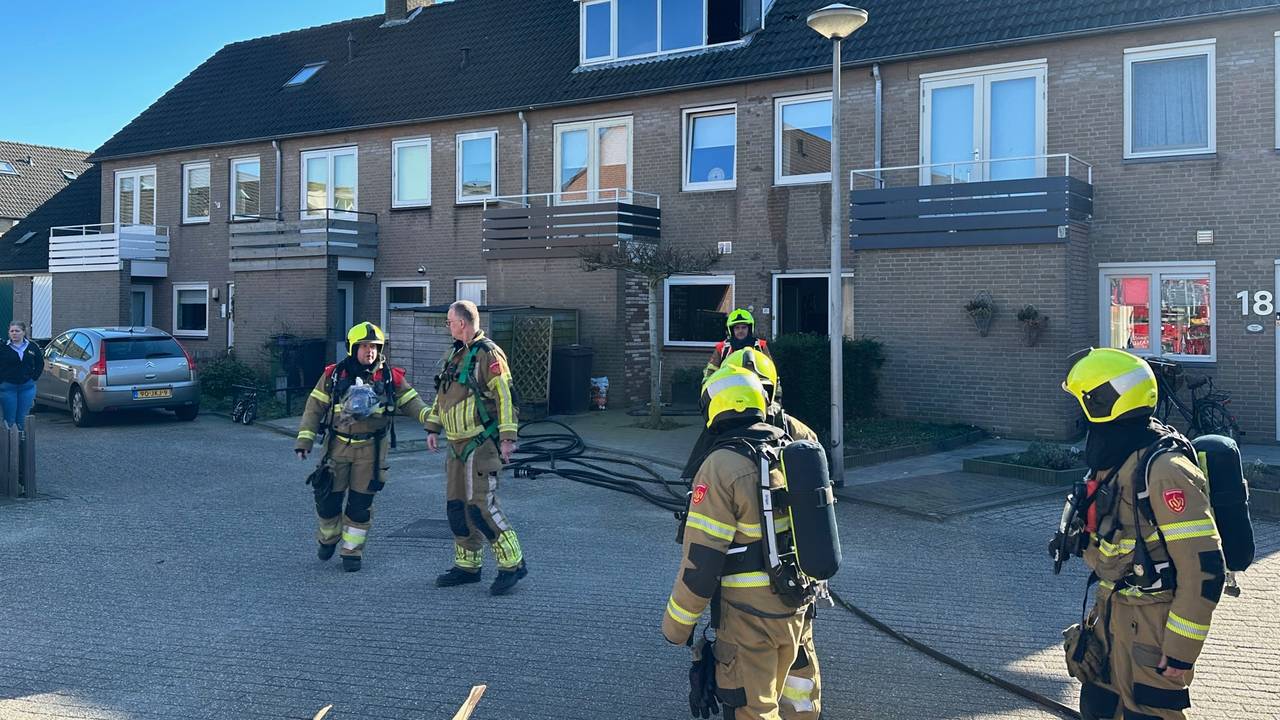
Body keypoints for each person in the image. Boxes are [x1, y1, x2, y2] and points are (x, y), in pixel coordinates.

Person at [1060, 348, 1225, 720]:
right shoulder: (1114, 458)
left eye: (1084, 401)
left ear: (1106, 402)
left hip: (1153, 627)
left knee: (1149, 714)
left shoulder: (1165, 470)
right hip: (1109, 615)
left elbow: (1205, 568)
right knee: (1098, 709)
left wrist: (1181, 648)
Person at [664, 364, 822, 719]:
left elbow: (701, 561)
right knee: (799, 698)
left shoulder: (721, 465)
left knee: (754, 708)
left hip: (748, 618)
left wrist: (676, 627)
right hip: (798, 604)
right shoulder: (789, 449)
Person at [295, 321, 432, 572]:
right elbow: (314, 408)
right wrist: (304, 440)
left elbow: (412, 402)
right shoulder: (334, 375)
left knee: (360, 506)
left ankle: (351, 552)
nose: (369, 351)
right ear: (352, 347)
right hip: (337, 448)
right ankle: (329, 538)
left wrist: (430, 419)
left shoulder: (390, 377)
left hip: (371, 451)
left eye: (374, 346)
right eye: (364, 346)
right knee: (328, 500)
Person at [425, 300, 526, 595]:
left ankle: (513, 565)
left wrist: (508, 438)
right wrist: (433, 427)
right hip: (455, 445)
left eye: (449, 322)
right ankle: (467, 566)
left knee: (481, 506)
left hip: (480, 444)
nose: (447, 326)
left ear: (463, 323)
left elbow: (505, 395)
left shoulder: (488, 354)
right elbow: (442, 396)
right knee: (457, 507)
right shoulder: (454, 355)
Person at [703, 309, 773, 384]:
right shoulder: (722, 348)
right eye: (737, 328)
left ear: (749, 329)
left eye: (744, 327)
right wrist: (706, 384)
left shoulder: (760, 346)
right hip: (728, 389)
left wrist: (776, 386)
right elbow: (711, 370)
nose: (740, 331)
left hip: (755, 388)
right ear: (731, 330)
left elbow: (770, 369)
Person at [0, 321, 43, 431]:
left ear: (23, 332)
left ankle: (21, 445)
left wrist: (34, 377)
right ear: (9, 333)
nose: (14, 333)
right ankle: (9, 446)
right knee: (9, 419)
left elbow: (40, 363)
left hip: (27, 387)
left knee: (22, 418)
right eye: (12, 331)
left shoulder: (32, 347)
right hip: (8, 387)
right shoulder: (3, 348)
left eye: (17, 331)